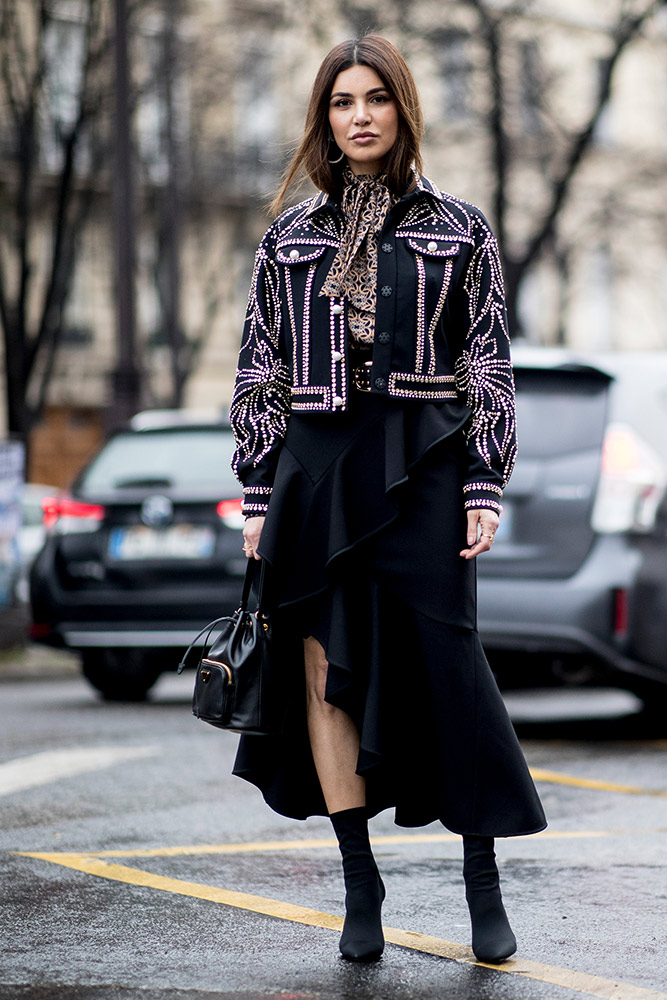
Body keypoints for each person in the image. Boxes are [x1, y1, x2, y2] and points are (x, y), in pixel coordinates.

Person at [229, 34, 546, 966]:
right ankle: (358, 885)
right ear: (322, 118)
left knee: (447, 666)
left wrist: (484, 478)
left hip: (426, 462)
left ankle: (479, 883)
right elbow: (260, 367)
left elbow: (486, 355)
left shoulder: (460, 225)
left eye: (374, 98)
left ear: (403, 109)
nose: (358, 115)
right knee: (325, 676)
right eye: (340, 102)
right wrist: (256, 491)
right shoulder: (289, 235)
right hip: (315, 470)